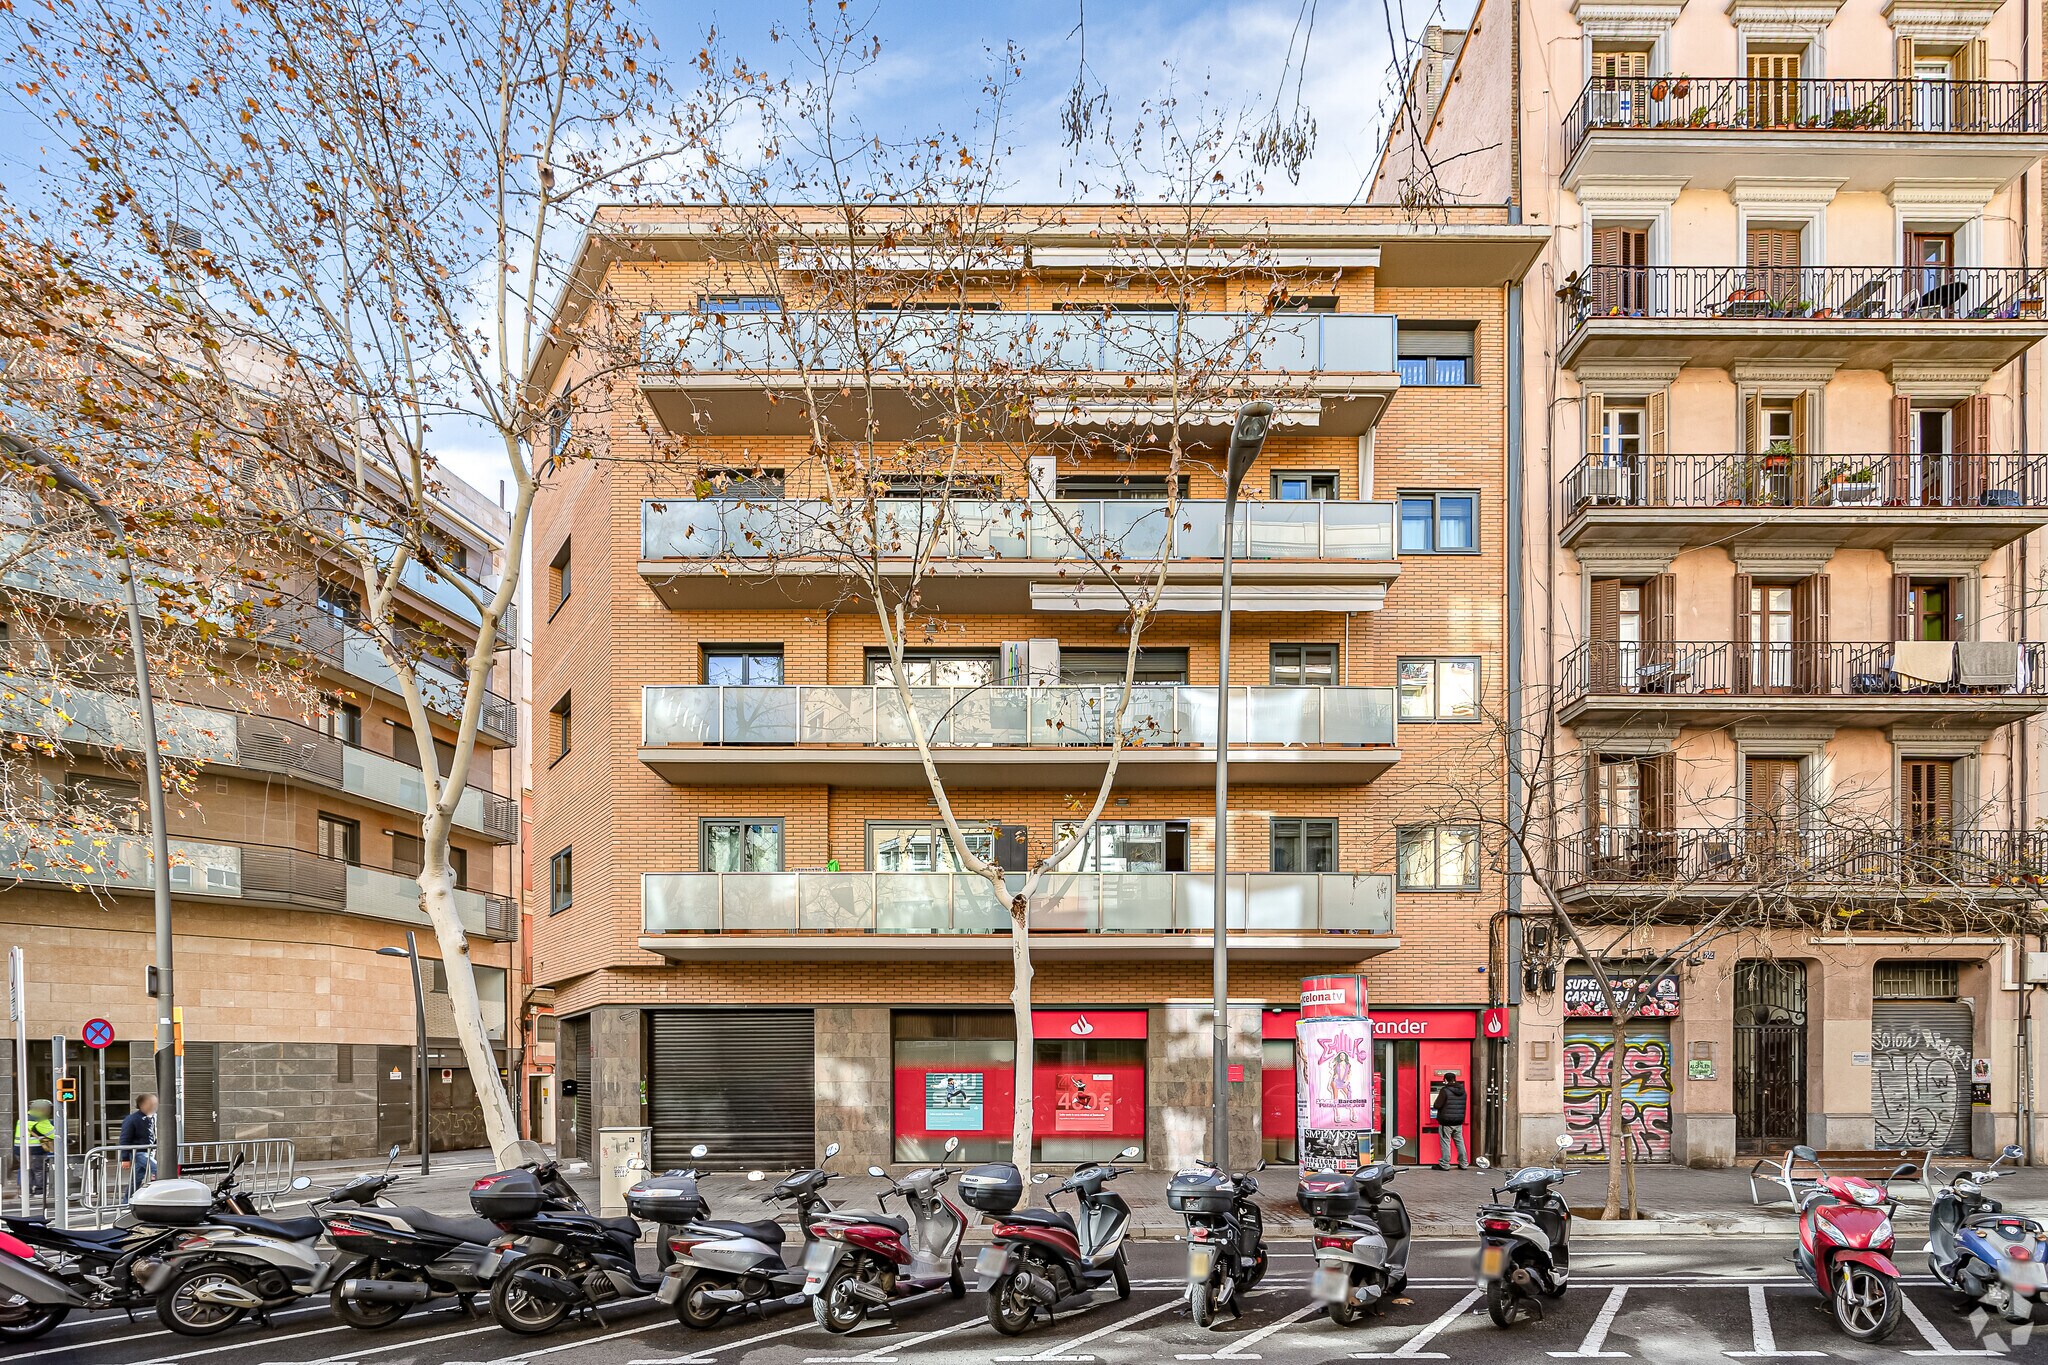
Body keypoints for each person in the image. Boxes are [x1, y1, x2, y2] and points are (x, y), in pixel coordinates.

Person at [14, 1100, 55, 1201]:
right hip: (35, 1150)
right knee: (39, 1170)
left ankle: (25, 1191)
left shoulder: (23, 1118)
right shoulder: (40, 1119)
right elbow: (53, 1134)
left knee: (25, 1170)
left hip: (19, 1150)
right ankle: (39, 1191)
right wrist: (67, 1139)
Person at [119, 1093, 158, 1194]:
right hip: (139, 1153)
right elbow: (125, 1139)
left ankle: (127, 1202)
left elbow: (154, 1134)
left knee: (136, 1180)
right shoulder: (132, 1119)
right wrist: (125, 1158)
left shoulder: (154, 1117)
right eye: (150, 1103)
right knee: (159, 1169)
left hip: (150, 1151)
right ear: (142, 1105)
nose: (153, 1106)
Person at [1431, 1071, 1469, 1170]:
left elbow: (1437, 1105)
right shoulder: (1462, 1090)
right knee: (1460, 1142)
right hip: (1458, 1121)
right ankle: (1463, 1163)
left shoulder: (1445, 1090)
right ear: (1454, 1079)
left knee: (1445, 1142)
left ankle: (1444, 1164)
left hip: (1446, 1121)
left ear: (1445, 1080)